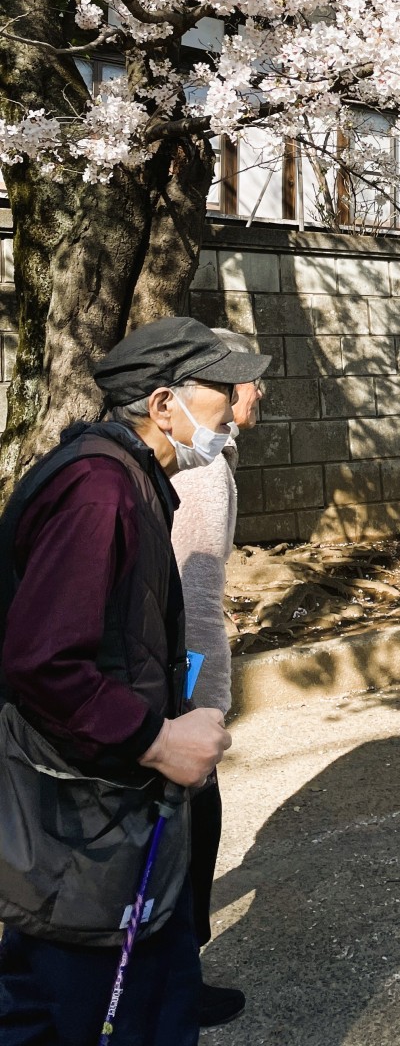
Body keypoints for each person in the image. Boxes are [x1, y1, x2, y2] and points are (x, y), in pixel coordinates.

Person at [0, 315, 270, 1044]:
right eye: (221, 392)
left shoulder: (133, 475)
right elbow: (43, 662)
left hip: (107, 803)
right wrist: (157, 740)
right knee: (88, 1005)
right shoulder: (98, 489)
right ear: (162, 404)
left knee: (134, 994)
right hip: (84, 812)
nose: (233, 411)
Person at [171, 328, 264, 1030]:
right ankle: (177, 980)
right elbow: (196, 594)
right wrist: (207, 702)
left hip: (166, 670)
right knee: (186, 826)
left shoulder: (205, 458)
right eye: (252, 382)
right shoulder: (205, 471)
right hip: (178, 678)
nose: (260, 393)